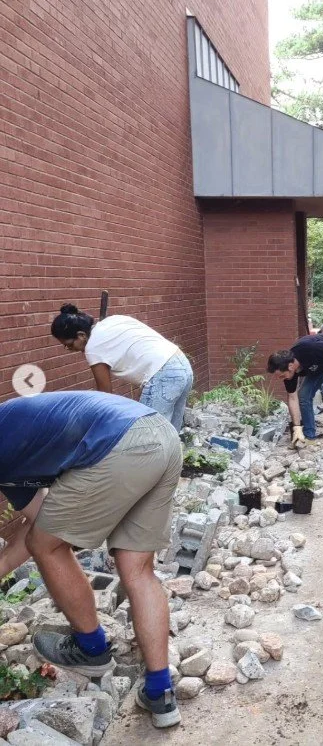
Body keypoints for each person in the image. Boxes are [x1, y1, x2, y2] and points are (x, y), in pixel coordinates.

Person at [0, 391, 182, 728]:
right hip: (161, 436)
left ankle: (91, 649)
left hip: (118, 443)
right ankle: (160, 693)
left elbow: (46, 542)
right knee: (137, 569)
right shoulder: (13, 459)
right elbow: (40, 525)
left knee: (47, 546)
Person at [51, 305, 193, 432]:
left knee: (150, 437)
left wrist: (98, 425)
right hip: (182, 364)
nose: (69, 349)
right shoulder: (111, 321)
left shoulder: (93, 348)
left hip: (164, 375)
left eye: (69, 344)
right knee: (170, 434)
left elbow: (106, 397)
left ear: (81, 335)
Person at [267, 333, 323, 459]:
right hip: (321, 366)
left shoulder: (309, 349)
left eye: (282, 375)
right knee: (303, 395)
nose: (281, 379)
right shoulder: (289, 374)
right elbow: (292, 398)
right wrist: (297, 428)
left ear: (290, 366)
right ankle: (309, 437)